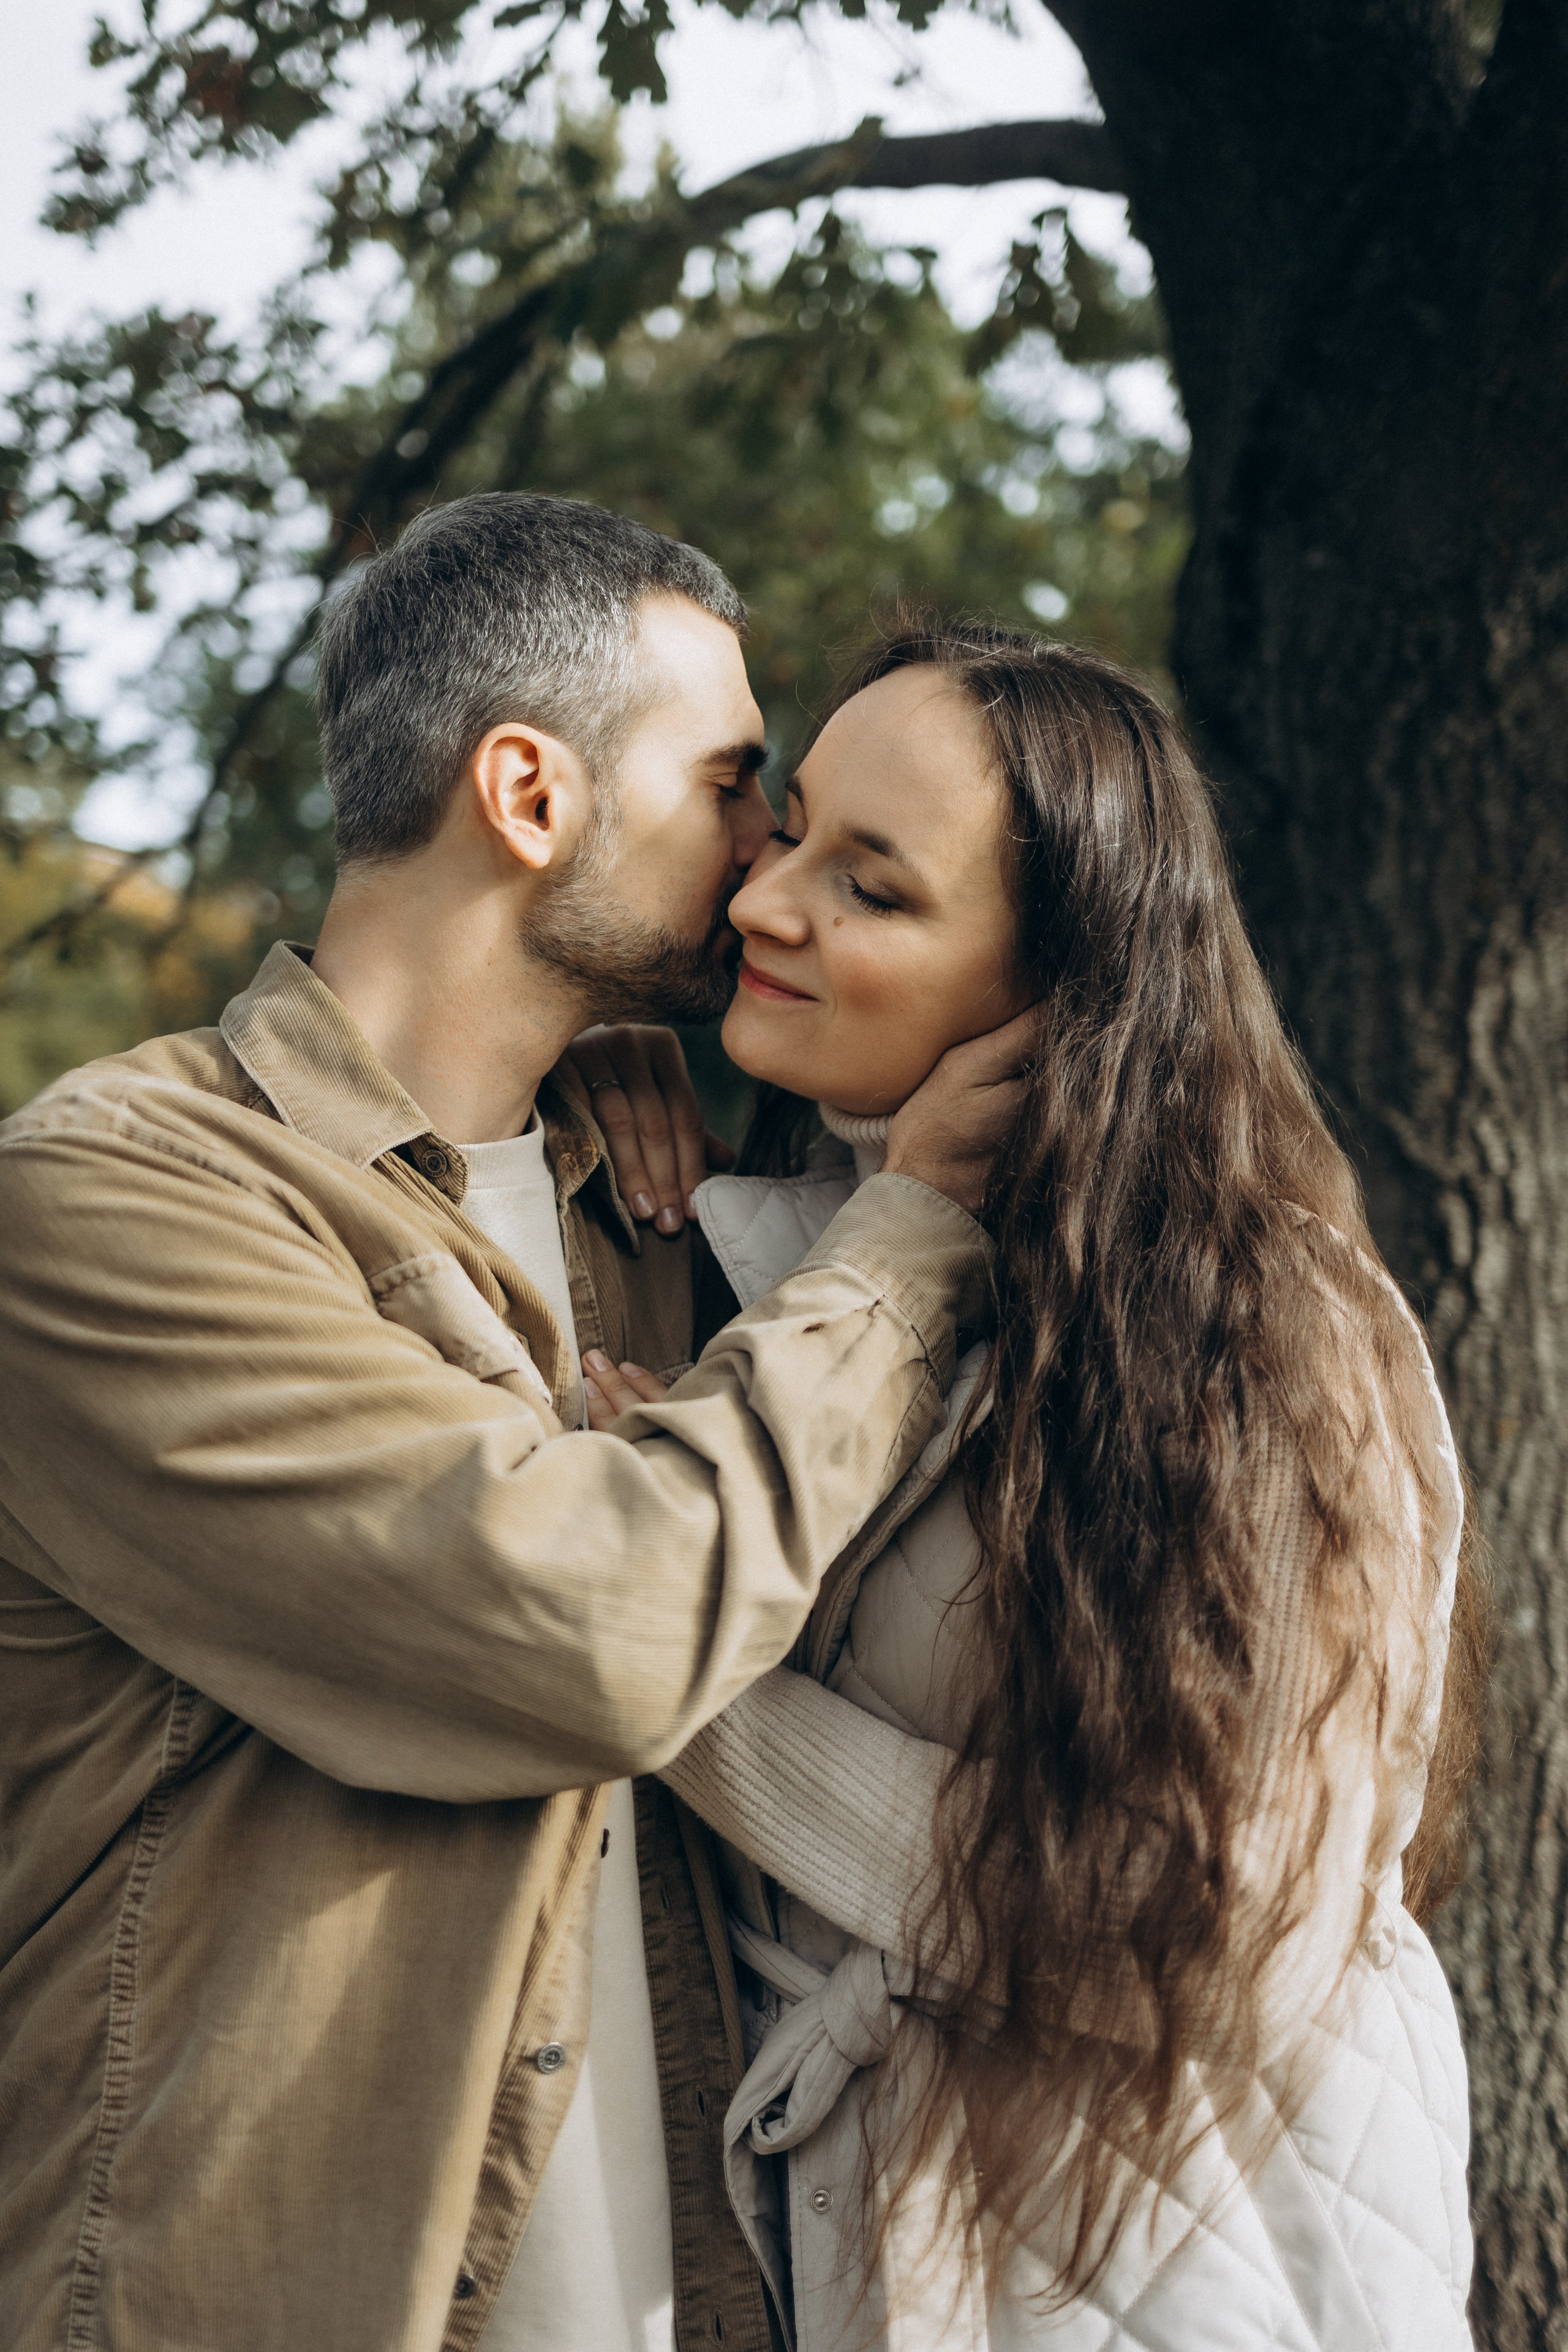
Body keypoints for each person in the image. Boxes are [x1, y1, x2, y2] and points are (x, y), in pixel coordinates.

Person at [0, 502, 1035, 2352]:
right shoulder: (109, 1203)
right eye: (732, 784)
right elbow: (596, 1627)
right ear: (528, 798)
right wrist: (916, 1235)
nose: (767, 852)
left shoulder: (650, 1212)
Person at [580, 619, 1485, 2351]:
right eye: (789, 829)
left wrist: (670, 1681)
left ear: (1056, 991)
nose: (765, 904)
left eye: (877, 889)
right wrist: (591, 1035)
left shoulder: (1259, 1323)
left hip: (1186, 2268)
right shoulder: (808, 1266)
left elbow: (1221, 1937)